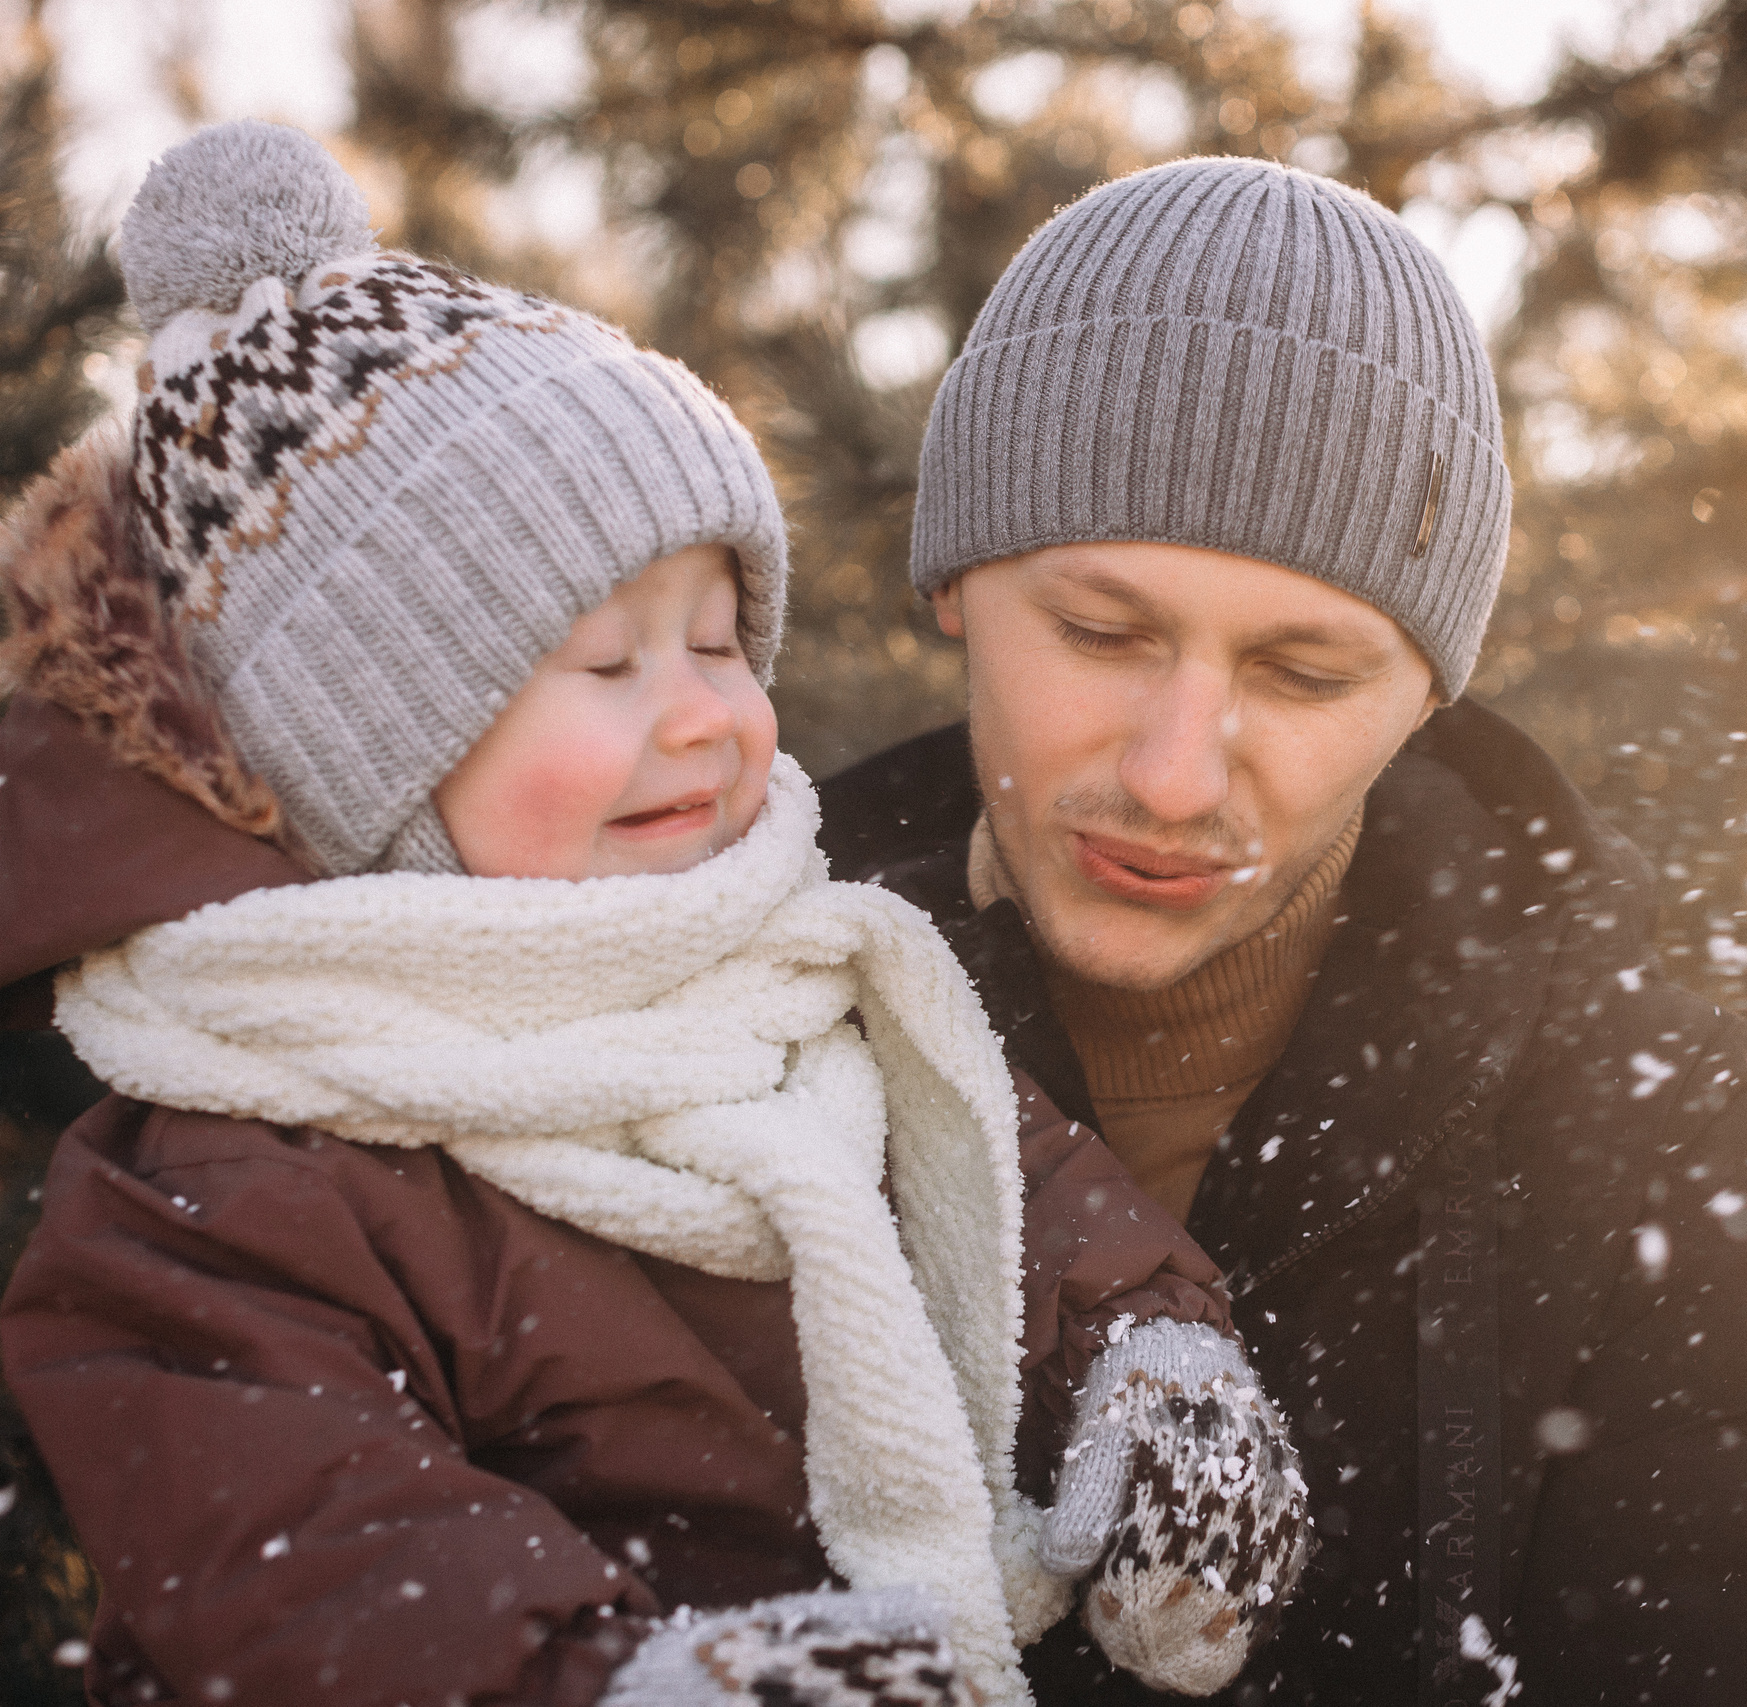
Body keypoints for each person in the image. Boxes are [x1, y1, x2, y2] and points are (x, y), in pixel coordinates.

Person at [0, 123, 1308, 1707]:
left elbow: (1014, 1195)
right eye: (609, 664)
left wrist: (1155, 1373)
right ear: (365, 757)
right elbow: (310, 1554)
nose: (701, 715)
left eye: (719, 642)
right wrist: (641, 1683)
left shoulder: (800, 981)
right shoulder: (232, 1171)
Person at [816, 156, 1747, 1705]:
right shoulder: (718, 1034)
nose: (1174, 774)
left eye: (1305, 675)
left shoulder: (1669, 1154)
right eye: (1101, 632)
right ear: (953, 586)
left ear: (1424, 697)